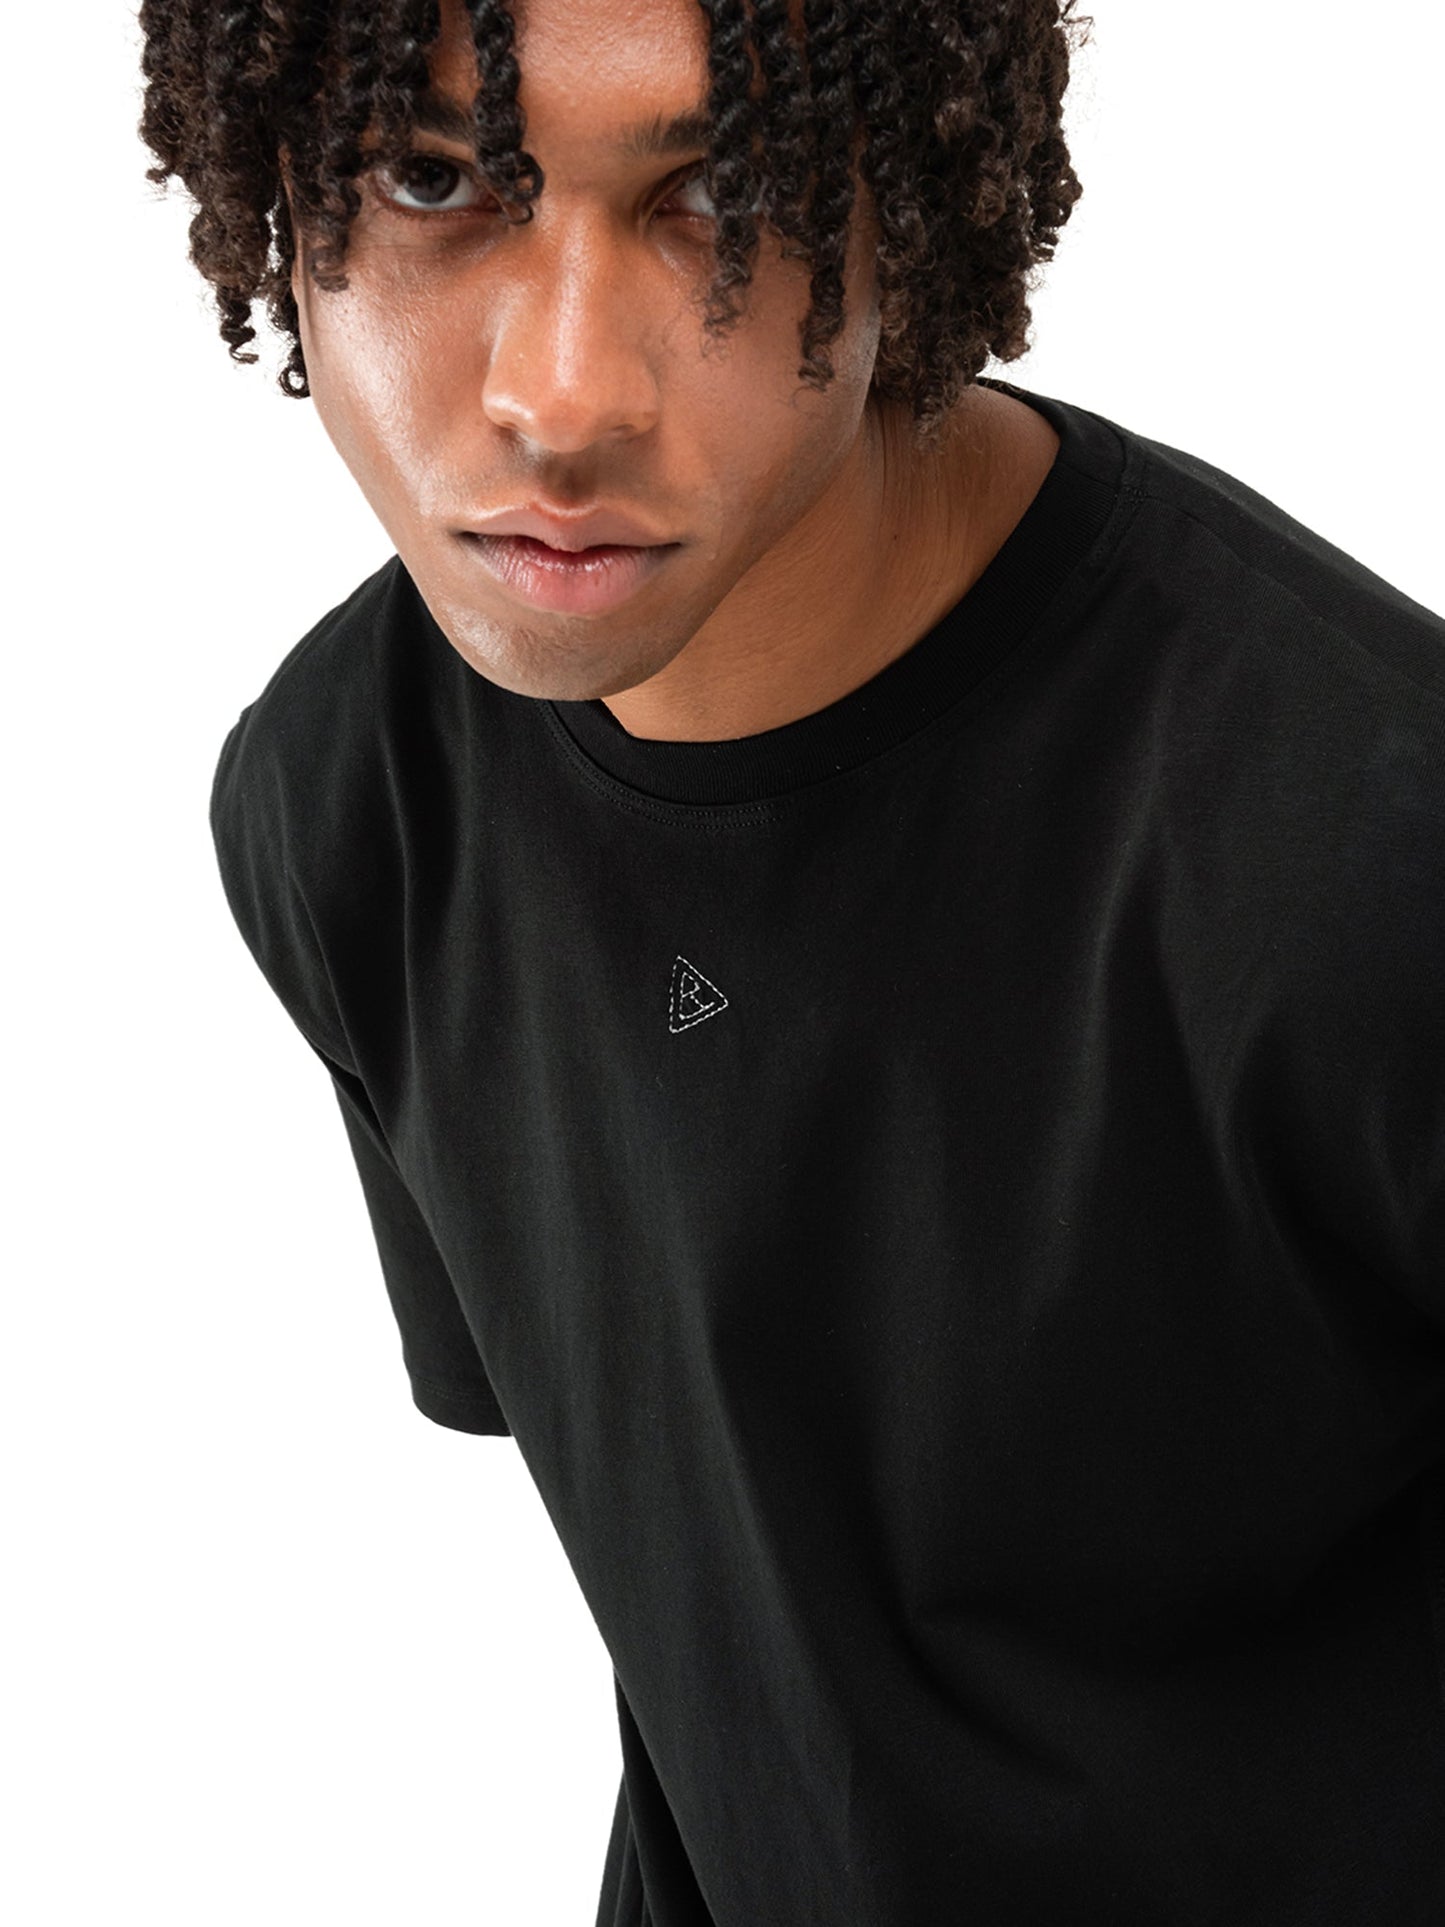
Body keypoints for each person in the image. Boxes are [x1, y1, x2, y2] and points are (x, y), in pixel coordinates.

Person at [138, 1, 1445, 1921]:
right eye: (431, 177)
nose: (562, 395)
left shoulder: (1367, 858)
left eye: (724, 193)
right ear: (271, 189)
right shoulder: (342, 798)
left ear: (911, 208)